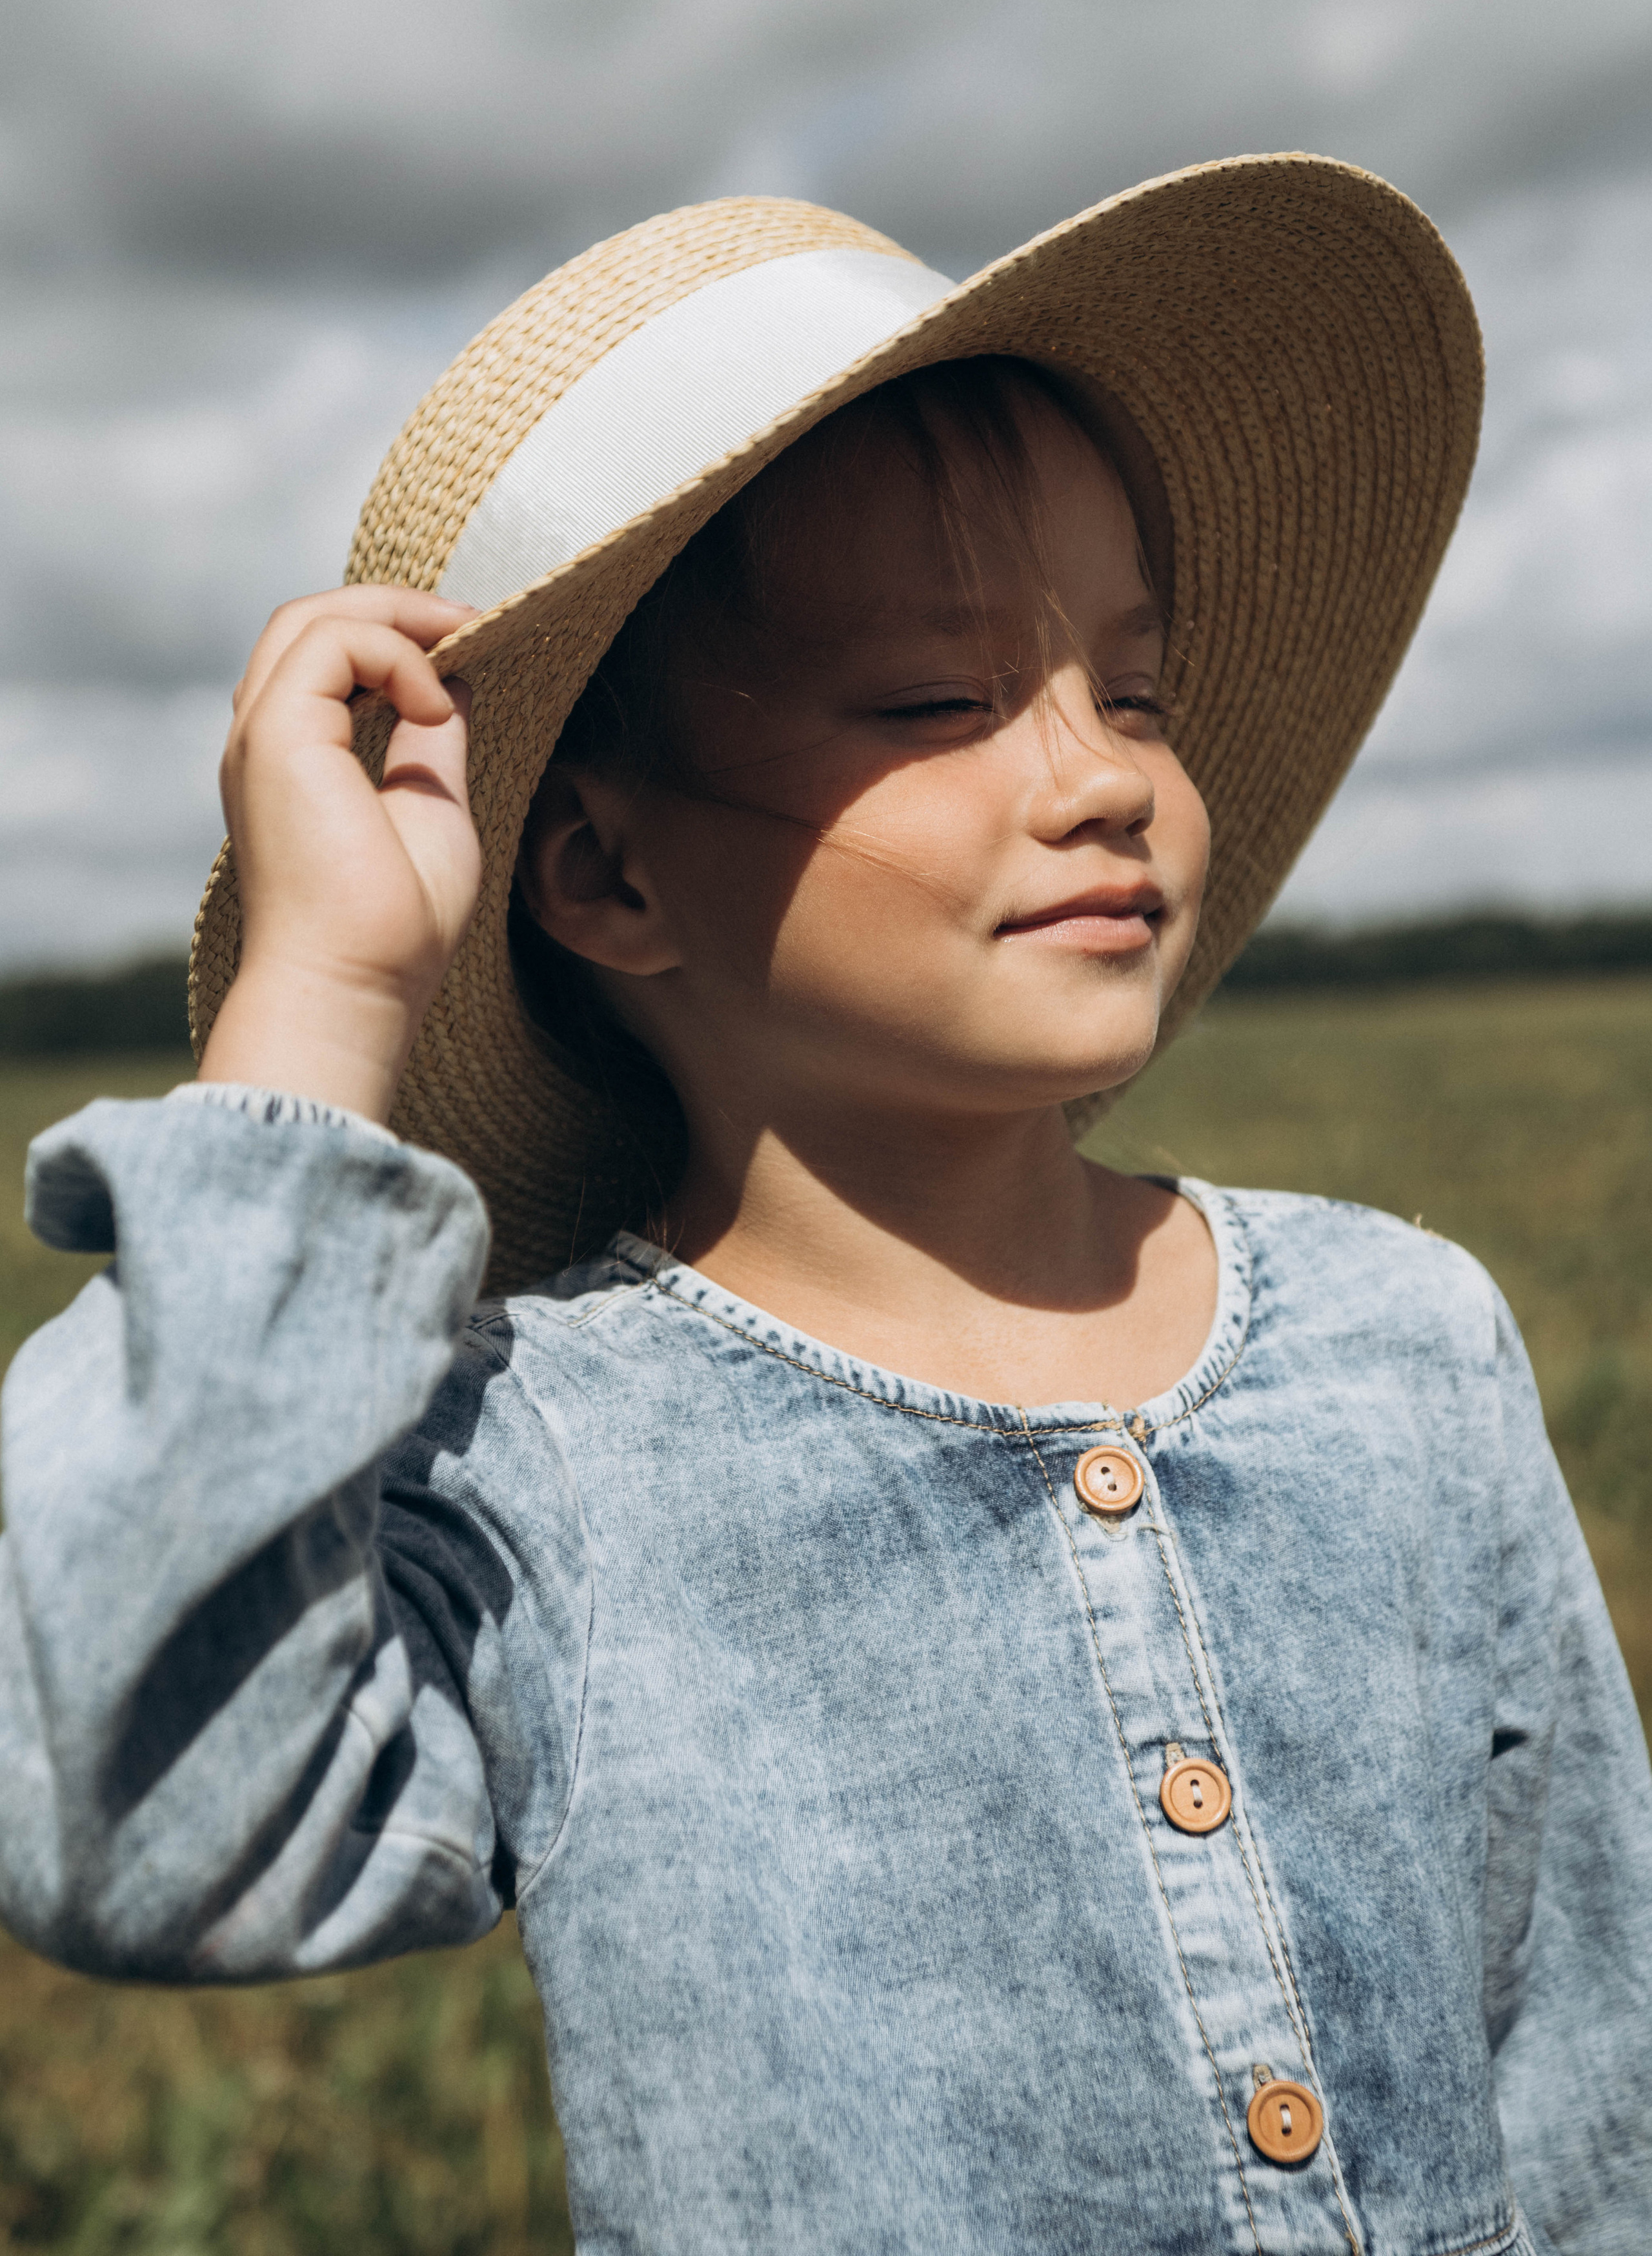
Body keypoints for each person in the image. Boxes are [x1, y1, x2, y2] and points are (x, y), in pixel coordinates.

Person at [1, 161, 1647, 2256]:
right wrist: (323, 990)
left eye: (1131, 690)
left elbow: (1591, 2061)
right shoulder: (538, 1464)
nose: (1105, 775)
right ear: (604, 877)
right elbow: (149, 1829)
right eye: (938, 704)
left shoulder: (1407, 1334)